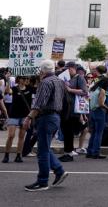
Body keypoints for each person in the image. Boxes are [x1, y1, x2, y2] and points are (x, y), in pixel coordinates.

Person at [22, 60, 69, 192]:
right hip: (55, 117)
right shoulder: (59, 81)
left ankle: (42, 181)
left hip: (46, 117)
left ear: (42, 71)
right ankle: (59, 170)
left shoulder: (45, 82)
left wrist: (29, 117)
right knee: (45, 147)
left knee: (42, 151)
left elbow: (39, 104)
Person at [59, 62, 88, 162]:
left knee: (69, 131)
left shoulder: (79, 78)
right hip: (64, 108)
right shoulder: (66, 78)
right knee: (65, 130)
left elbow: (84, 91)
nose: (67, 71)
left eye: (69, 69)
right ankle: (67, 151)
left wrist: (70, 90)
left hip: (73, 109)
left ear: (73, 69)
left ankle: (69, 152)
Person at [3, 75, 31, 163]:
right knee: (11, 135)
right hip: (14, 115)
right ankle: (6, 154)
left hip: (25, 116)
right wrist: (7, 80)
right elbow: (7, 91)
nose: (26, 80)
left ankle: (19, 155)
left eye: (27, 78)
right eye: (24, 78)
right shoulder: (14, 89)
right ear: (19, 80)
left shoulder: (29, 89)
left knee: (21, 136)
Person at [86, 77, 108, 159]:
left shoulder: (93, 89)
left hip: (92, 112)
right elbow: (101, 104)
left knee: (93, 133)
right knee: (99, 133)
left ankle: (89, 151)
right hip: (99, 112)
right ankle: (96, 152)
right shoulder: (102, 91)